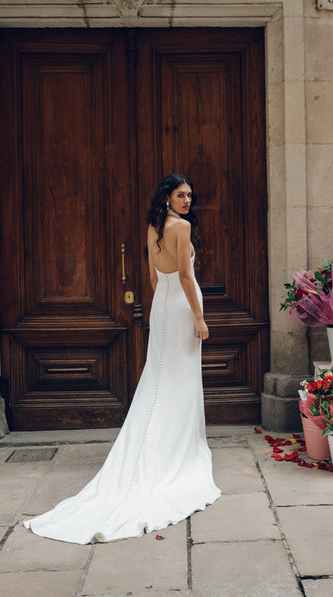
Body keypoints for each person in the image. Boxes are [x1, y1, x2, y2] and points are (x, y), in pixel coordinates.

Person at [23, 173, 221, 544]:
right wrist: (197, 316)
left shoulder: (153, 226)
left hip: (161, 307)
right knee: (176, 379)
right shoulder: (180, 228)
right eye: (181, 195)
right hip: (180, 307)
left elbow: (151, 275)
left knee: (160, 375)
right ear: (167, 197)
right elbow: (184, 276)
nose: (188, 201)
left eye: (190, 195)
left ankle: (154, 439)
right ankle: (171, 447)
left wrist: (164, 307)